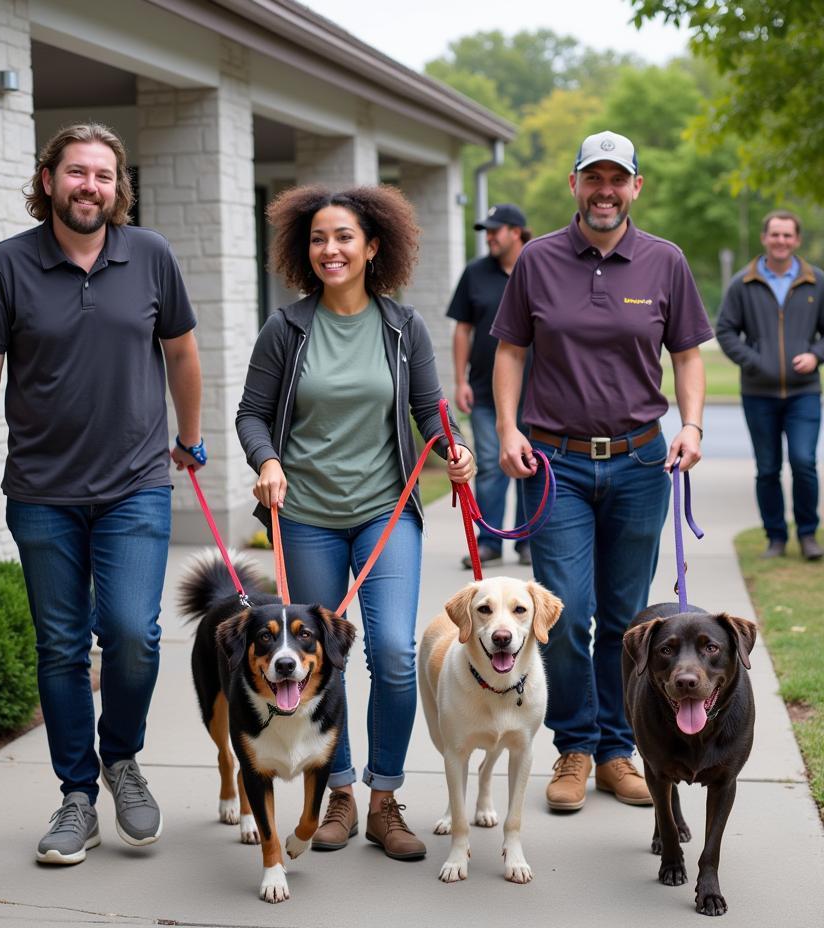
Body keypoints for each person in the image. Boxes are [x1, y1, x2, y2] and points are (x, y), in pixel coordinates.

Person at [0, 123, 205, 865]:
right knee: (61, 647)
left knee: (132, 631)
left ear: (117, 186)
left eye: (102, 174)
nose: (89, 186)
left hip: (135, 485)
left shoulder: (150, 255)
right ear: (49, 178)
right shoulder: (8, 265)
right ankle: (76, 796)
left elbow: (183, 353)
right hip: (42, 490)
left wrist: (190, 439)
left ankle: (121, 757)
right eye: (76, 172)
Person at [236, 184, 475, 860]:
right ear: (303, 251)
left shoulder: (404, 328)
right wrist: (268, 460)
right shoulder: (287, 328)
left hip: (384, 509)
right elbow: (251, 414)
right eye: (318, 239)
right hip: (305, 514)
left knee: (395, 654)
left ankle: (384, 799)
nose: (330, 249)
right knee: (322, 660)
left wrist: (452, 447)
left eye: (344, 237)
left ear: (374, 247)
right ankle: (336, 792)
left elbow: (430, 409)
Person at [492, 130, 713, 813]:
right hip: (554, 461)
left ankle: (619, 750)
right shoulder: (537, 260)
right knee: (562, 614)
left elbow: (688, 357)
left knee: (626, 618)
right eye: (595, 177)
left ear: (636, 187)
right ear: (575, 184)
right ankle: (575, 747)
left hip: (642, 460)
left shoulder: (665, 262)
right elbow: (508, 352)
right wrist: (506, 430)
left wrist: (693, 427)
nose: (606, 190)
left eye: (619, 179)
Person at [717, 210, 824, 561]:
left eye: (787, 235)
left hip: (804, 392)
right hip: (758, 394)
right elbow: (726, 331)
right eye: (774, 235)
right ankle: (775, 537)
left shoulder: (816, 282)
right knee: (767, 468)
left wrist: (816, 355)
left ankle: (808, 534)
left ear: (796, 240)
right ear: (765, 238)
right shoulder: (742, 284)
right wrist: (754, 360)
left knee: (804, 461)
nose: (780, 241)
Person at [447, 202, 533, 568]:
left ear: (516, 232)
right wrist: (459, 379)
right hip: (484, 391)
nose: (490, 237)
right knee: (491, 464)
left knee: (532, 465)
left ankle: (529, 540)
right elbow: (463, 329)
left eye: (496, 230)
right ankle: (491, 541)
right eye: (487, 231)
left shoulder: (539, 267)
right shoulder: (475, 273)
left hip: (536, 394)